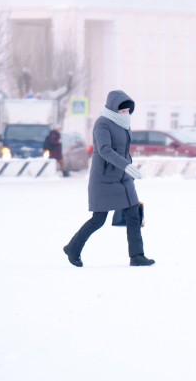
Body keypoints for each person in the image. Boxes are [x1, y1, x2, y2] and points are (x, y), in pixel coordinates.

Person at [63, 90, 155, 267]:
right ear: (113, 108)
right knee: (98, 219)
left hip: (123, 178)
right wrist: (126, 165)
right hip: (104, 179)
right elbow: (105, 150)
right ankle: (73, 248)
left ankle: (137, 256)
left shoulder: (124, 124)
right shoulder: (102, 124)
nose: (125, 113)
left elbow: (124, 150)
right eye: (121, 110)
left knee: (134, 214)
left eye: (127, 111)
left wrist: (130, 167)